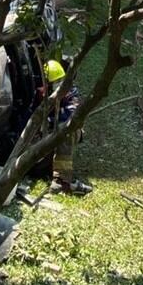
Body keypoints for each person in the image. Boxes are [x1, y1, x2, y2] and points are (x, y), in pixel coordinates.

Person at [44, 59, 93, 196]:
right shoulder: (39, 90)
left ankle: (62, 180)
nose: (57, 86)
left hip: (60, 132)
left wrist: (51, 119)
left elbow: (73, 116)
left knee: (66, 130)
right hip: (41, 136)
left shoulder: (71, 93)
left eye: (60, 82)